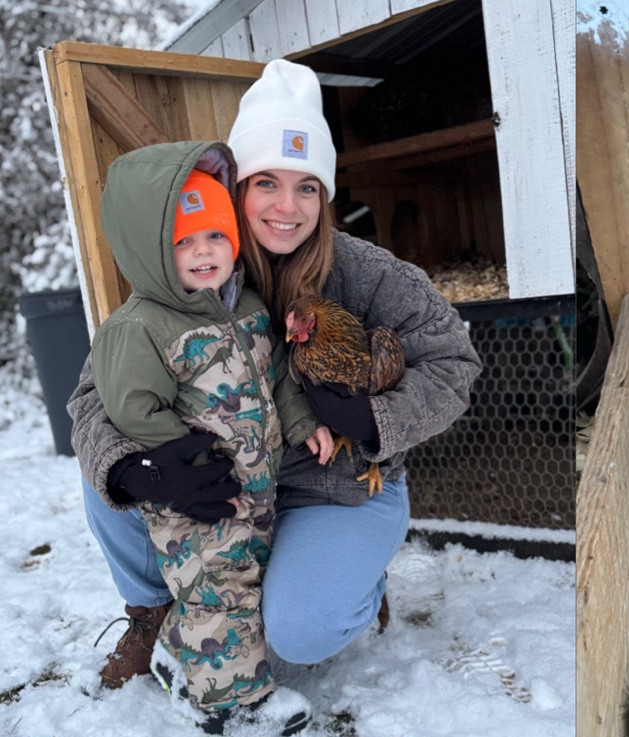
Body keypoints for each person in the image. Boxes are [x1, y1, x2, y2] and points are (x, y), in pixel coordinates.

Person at [69, 58, 481, 690]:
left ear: (326, 195)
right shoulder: (191, 268)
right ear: (237, 190)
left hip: (336, 486)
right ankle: (152, 611)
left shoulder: (369, 272)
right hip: (231, 478)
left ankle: (359, 586)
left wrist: (375, 418)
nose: (287, 208)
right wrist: (136, 466)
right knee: (106, 480)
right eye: (266, 182)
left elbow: (456, 363)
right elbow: (93, 395)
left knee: (297, 636)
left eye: (307, 186)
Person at [90, 142, 333, 734]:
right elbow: (131, 407)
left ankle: (179, 649)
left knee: (245, 579)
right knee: (219, 589)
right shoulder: (139, 327)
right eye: (183, 243)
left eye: (216, 237)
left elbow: (276, 376)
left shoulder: (245, 306)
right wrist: (184, 462)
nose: (204, 253)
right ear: (150, 254)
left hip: (257, 488)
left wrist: (303, 424)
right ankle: (232, 704)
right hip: (194, 495)